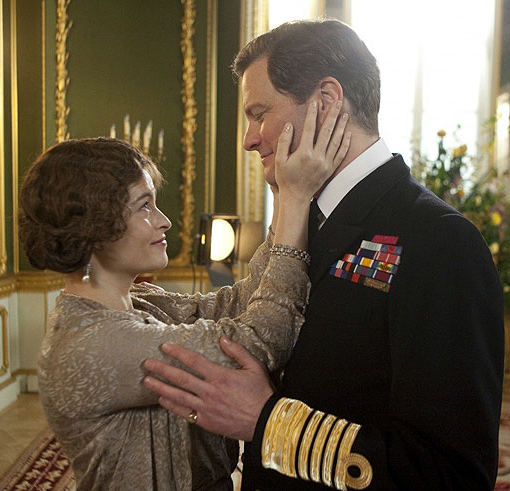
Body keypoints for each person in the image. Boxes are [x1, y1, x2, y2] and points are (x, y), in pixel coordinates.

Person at [143, 19, 505, 490]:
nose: (249, 138)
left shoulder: (440, 241)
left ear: (327, 101)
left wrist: (268, 421)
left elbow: (453, 474)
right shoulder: (301, 220)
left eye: (259, 113)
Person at [18, 128, 349, 490]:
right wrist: (297, 200)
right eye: (144, 206)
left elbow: (235, 303)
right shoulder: (92, 344)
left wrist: (283, 196)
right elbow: (258, 339)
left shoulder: (138, 301)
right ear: (94, 227)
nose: (165, 221)